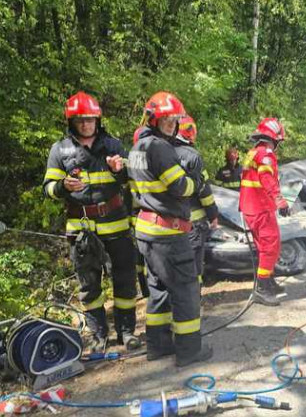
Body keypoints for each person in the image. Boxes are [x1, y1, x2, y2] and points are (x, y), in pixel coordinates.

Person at [43, 91, 139, 351]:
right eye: (80, 120)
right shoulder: (60, 150)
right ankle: (98, 336)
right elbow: (48, 189)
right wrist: (62, 186)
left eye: (90, 119)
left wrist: (121, 171)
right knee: (89, 285)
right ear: (71, 122)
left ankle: (127, 332)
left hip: (116, 224)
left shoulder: (114, 146)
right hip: (81, 229)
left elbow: (134, 180)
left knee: (125, 279)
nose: (86, 124)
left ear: (98, 120)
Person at [128, 91, 212, 367]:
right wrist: (196, 183)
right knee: (186, 288)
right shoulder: (160, 148)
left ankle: (158, 346)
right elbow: (180, 187)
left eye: (173, 120)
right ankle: (189, 350)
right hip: (168, 233)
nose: (170, 124)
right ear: (153, 120)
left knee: (158, 289)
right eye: (165, 120)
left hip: (147, 231)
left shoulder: (137, 148)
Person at [239, 118, 291, 306]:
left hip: (251, 206)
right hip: (260, 206)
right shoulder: (266, 153)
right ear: (274, 138)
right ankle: (261, 288)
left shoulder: (253, 152)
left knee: (264, 246)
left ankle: (267, 280)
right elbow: (266, 178)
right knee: (271, 246)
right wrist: (280, 200)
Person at [173, 115, 219, 283]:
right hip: (192, 223)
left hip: (167, 223)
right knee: (194, 267)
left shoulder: (161, 152)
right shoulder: (192, 156)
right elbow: (204, 191)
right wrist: (213, 214)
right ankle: (194, 300)